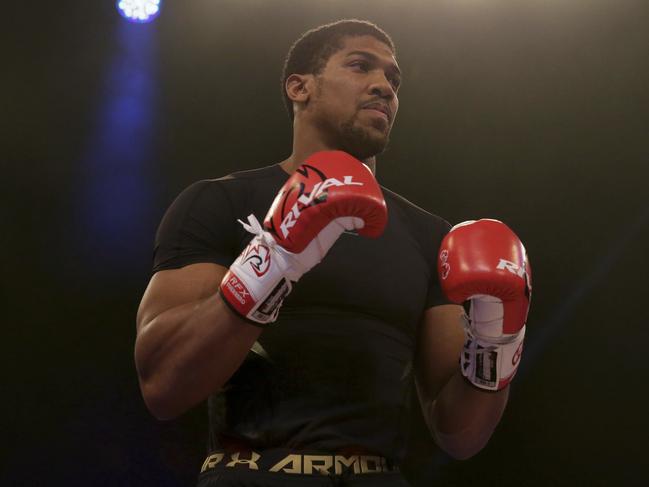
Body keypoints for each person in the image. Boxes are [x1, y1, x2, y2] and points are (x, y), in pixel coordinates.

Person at [134, 19, 532, 487]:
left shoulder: (429, 236)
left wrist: (496, 338)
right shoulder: (221, 202)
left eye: (393, 79)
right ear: (300, 87)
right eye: (361, 66)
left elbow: (460, 435)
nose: (384, 86)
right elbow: (162, 385)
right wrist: (274, 258)